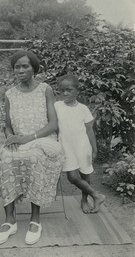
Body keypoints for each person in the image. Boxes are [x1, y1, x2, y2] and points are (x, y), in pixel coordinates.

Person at [0, 50, 64, 245]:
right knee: (6, 158)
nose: (21, 70)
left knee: (34, 158)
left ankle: (35, 220)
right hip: (19, 140)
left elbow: (53, 124)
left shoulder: (45, 89)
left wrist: (28, 138)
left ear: (34, 68)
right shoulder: (10, 94)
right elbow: (7, 125)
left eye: (25, 66)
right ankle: (9, 221)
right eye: (17, 66)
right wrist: (12, 138)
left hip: (43, 140)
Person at [54, 74, 105, 214]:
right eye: (62, 90)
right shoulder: (57, 106)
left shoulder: (83, 108)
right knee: (72, 176)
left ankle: (84, 200)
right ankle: (97, 195)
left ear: (77, 90)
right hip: (66, 146)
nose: (65, 93)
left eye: (69, 90)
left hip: (82, 145)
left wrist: (94, 149)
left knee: (85, 172)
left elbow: (89, 131)